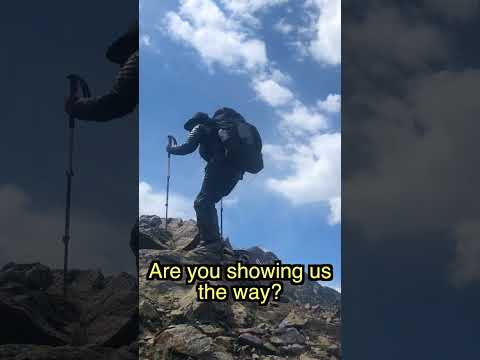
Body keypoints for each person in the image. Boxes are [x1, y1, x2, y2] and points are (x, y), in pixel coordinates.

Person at [64, 20, 139, 272]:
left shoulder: (138, 57)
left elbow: (116, 102)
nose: (120, 67)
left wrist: (75, 107)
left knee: (139, 238)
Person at [167, 110, 244, 250]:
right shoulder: (219, 130)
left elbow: (187, 147)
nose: (190, 129)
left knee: (201, 203)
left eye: (191, 126)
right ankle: (214, 241)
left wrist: (170, 149)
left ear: (196, 122)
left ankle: (210, 243)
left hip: (219, 167)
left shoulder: (200, 127)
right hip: (236, 172)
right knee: (207, 202)